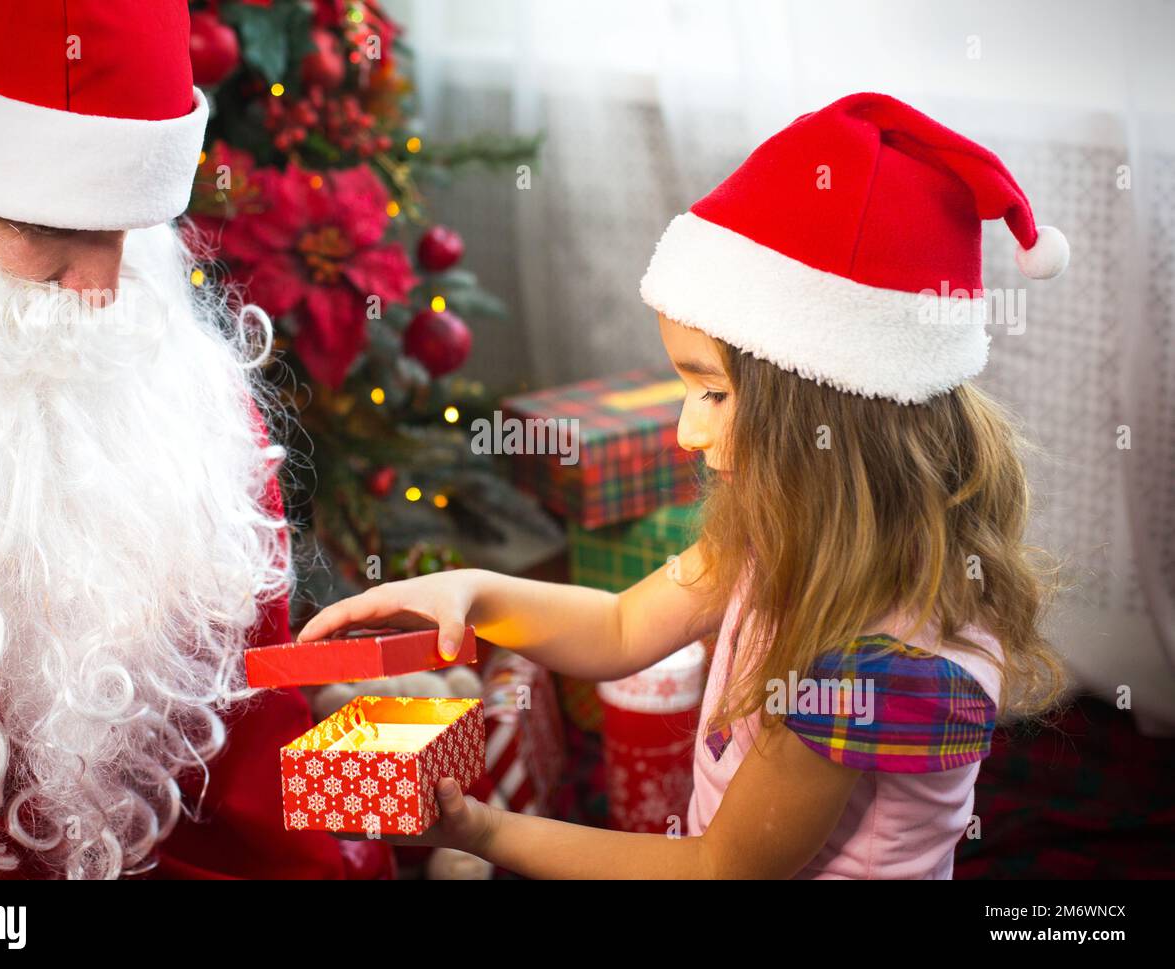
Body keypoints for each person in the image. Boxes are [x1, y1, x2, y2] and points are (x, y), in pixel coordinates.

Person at [296, 92, 1072, 879]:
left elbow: (719, 867)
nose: (685, 431)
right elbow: (623, 628)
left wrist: (485, 832)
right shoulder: (779, 534)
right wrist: (475, 595)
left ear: (827, 414)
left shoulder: (873, 667)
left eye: (713, 392)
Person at [0, 0, 387, 880]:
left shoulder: (187, 411)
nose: (105, 289)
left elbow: (245, 742)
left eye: (128, 226)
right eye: (48, 232)